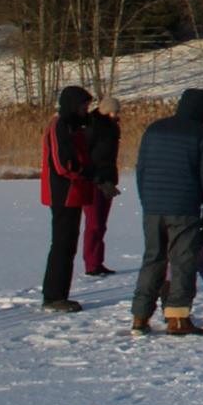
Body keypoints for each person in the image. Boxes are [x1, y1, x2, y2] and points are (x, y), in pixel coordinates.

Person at [130, 88, 203, 336]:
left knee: (153, 258)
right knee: (182, 261)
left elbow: (141, 170)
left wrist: (147, 201)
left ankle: (140, 317)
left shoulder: (154, 129)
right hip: (183, 208)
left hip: (152, 207)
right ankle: (178, 319)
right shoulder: (202, 135)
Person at [39, 85, 95, 312]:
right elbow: (62, 164)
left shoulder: (73, 126)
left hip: (74, 193)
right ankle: (53, 297)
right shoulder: (59, 126)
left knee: (68, 244)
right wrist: (84, 171)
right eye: (83, 106)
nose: (86, 111)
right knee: (62, 244)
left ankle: (58, 294)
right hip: (63, 193)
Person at [82, 95, 122, 278]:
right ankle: (91, 263)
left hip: (107, 179)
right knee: (94, 224)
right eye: (114, 110)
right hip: (93, 180)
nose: (116, 114)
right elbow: (85, 154)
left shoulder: (113, 127)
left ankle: (98, 261)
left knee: (101, 224)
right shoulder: (92, 126)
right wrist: (95, 176)